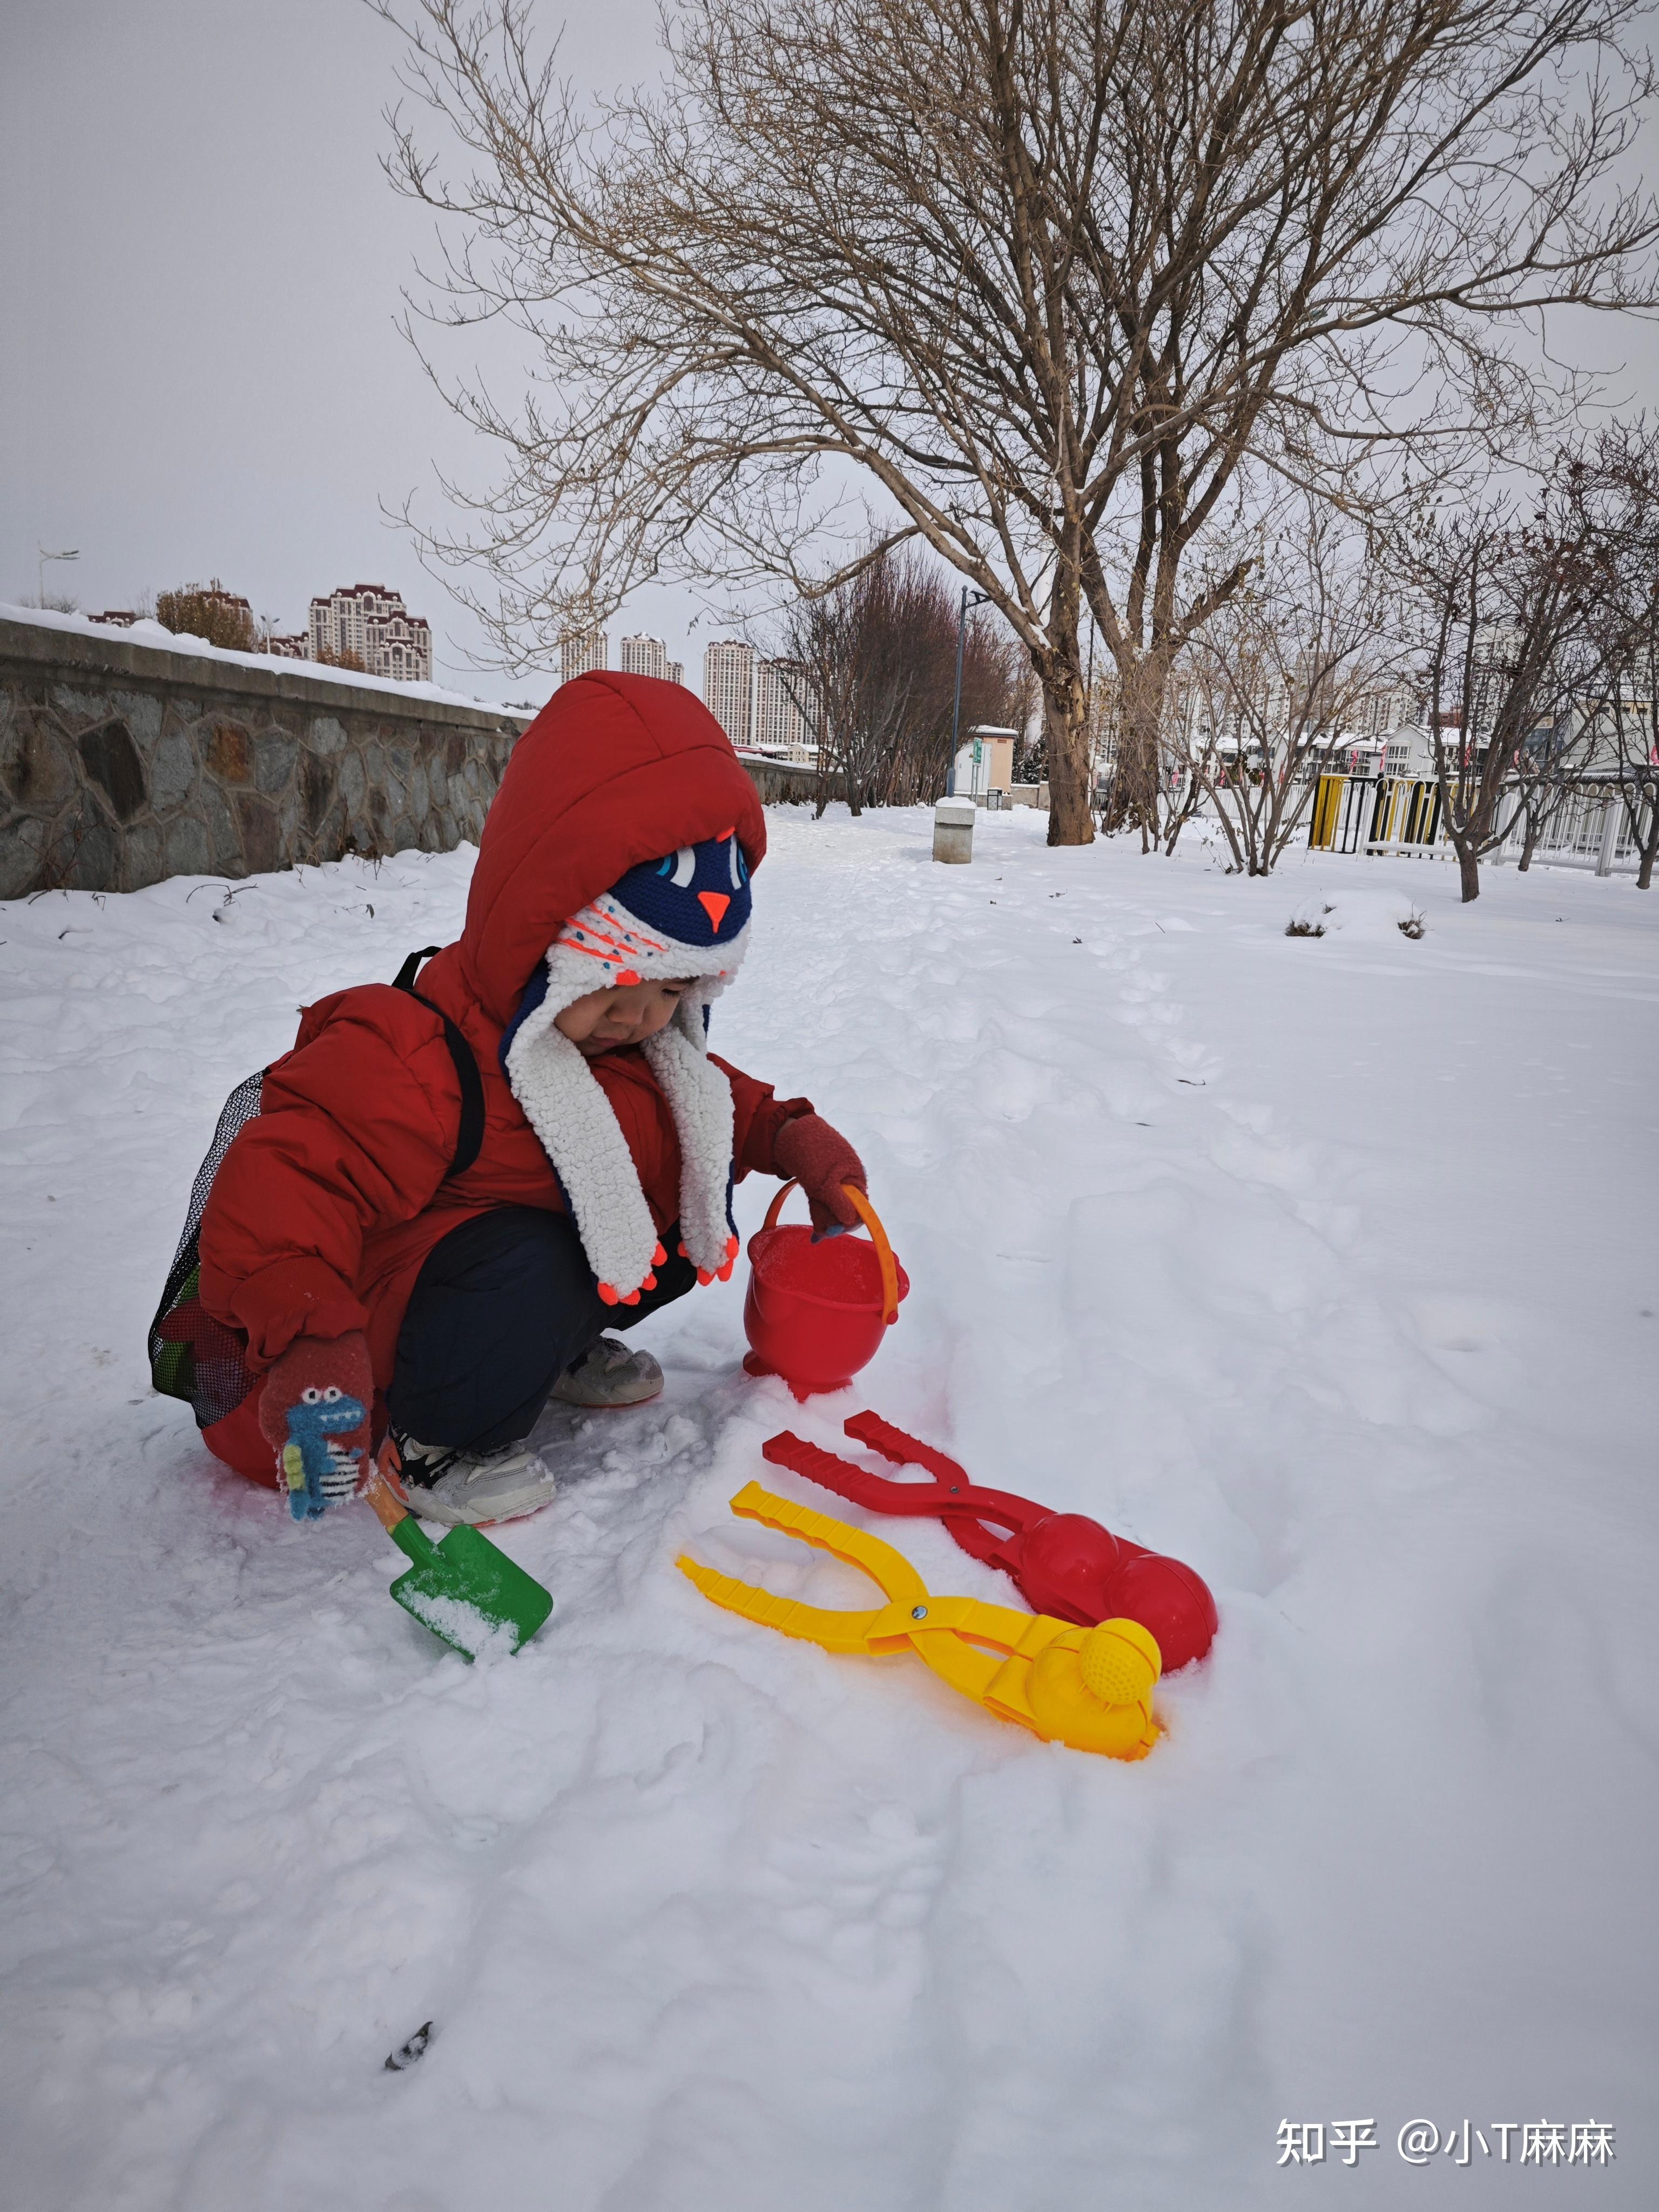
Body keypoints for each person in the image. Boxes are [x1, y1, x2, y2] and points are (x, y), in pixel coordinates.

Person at [185, 671, 865, 1526]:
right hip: (348, 1364)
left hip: (461, 1310)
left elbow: (713, 1100)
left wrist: (789, 1137)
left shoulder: (624, 1041)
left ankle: (541, 1358)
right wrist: (314, 1341)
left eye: (670, 991)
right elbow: (281, 1182)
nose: (638, 1016)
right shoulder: (416, 1055)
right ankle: (436, 1444)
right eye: (612, 981)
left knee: (692, 1182)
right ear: (543, 939)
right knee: (532, 1257)